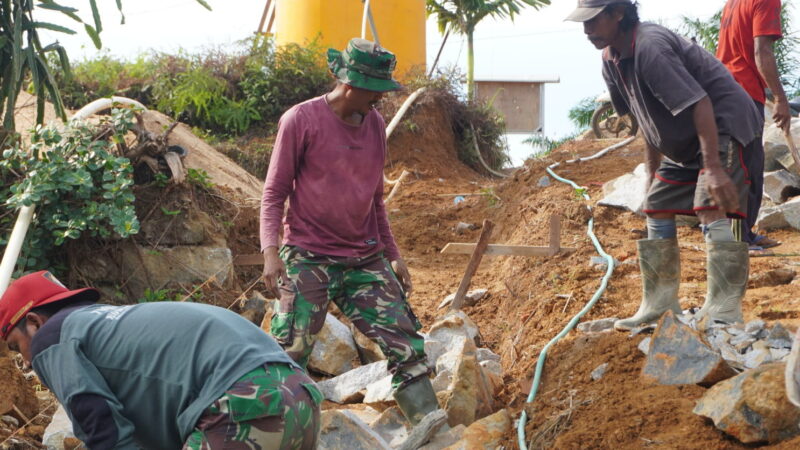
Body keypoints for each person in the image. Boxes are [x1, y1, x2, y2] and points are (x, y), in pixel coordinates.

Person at [259, 38, 438, 425]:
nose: (381, 100)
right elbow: (274, 193)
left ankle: (429, 425)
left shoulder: (374, 124)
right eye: (376, 91)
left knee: (406, 343)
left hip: (364, 258)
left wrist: (392, 254)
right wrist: (270, 252)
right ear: (352, 85)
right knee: (290, 349)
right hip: (309, 255)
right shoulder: (300, 120)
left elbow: (376, 200)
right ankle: (283, 430)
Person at [566, 0, 763, 329]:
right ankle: (659, 305)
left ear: (618, 13)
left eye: (594, 20)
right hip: (688, 142)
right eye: (583, 22)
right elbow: (647, 119)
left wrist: (713, 167)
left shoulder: (650, 48)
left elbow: (700, 102)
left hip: (724, 125)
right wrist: (651, 174)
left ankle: (723, 312)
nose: (587, 30)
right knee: (656, 202)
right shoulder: (611, 59)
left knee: (711, 204)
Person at [0, 271, 321, 449]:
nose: (27, 364)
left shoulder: (52, 337)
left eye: (17, 348)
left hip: (242, 405)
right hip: (302, 398)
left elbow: (104, 429)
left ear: (34, 322)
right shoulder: (108, 323)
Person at [717, 0, 787, 254]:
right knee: (744, 168)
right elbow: (761, 51)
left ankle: (744, 233)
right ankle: (736, 241)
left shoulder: (734, 2)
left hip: (729, 88)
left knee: (750, 165)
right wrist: (780, 98)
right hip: (740, 93)